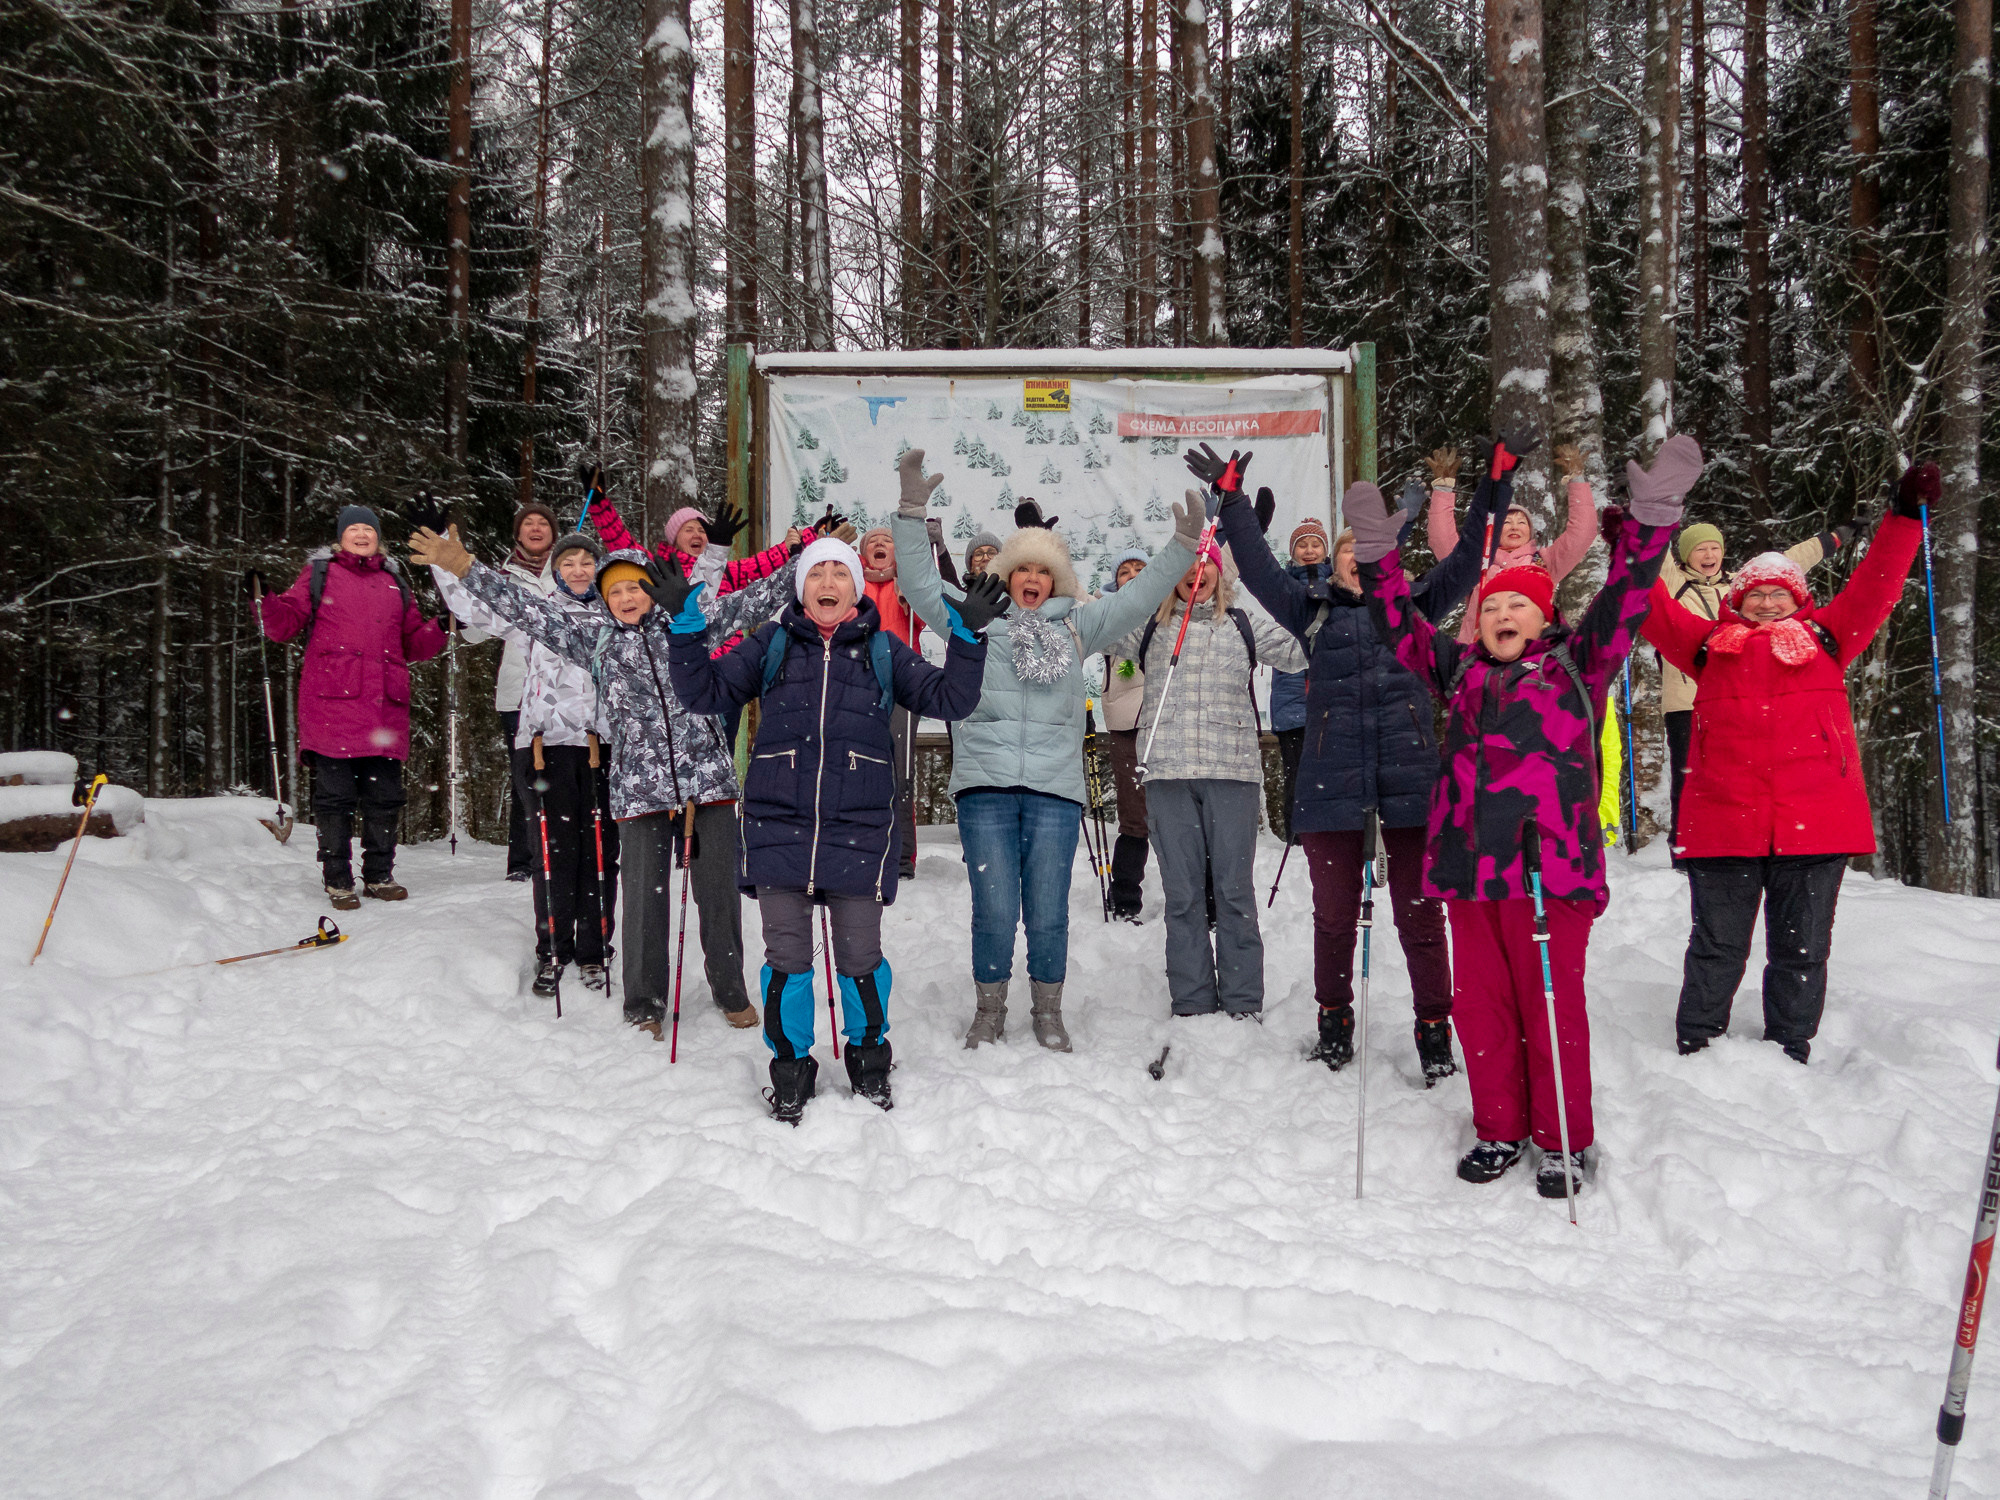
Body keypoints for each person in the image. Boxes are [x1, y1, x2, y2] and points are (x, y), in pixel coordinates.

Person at [1352, 435, 1700, 1201]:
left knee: (1549, 1006)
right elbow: (1397, 625)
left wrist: (1652, 519)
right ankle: (1498, 1126)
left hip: (1552, 869)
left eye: (1518, 605)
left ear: (1541, 618)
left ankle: (1564, 1140)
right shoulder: (1459, 668)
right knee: (1481, 1008)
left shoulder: (1581, 661)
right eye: (1492, 607)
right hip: (1472, 871)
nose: (1503, 614)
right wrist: (1379, 557)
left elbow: (1630, 592)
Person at [412, 525, 796, 1037]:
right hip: (640, 788)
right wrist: (462, 565)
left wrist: (818, 557)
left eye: (634, 586)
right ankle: (644, 1003)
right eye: (613, 590)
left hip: (708, 781)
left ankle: (730, 991)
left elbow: (758, 598)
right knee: (643, 899)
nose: (625, 597)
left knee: (718, 896)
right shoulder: (592, 639)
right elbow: (522, 608)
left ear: (652, 589)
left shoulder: (690, 622)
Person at [666, 537, 1002, 1121]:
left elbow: (953, 699)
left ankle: (869, 1061)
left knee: (860, 958)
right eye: (816, 571)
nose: (827, 581)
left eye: (839, 573)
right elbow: (702, 692)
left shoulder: (883, 650)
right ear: (802, 587)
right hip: (779, 826)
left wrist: (969, 638)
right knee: (787, 960)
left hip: (860, 829)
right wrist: (686, 627)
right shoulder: (771, 645)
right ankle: (790, 1069)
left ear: (855, 588)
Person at [1212, 440, 1510, 1083]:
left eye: (1367, 554)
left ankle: (1435, 1028)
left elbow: (1468, 557)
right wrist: (1232, 501)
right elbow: (1261, 568)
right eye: (1348, 556)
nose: (1357, 564)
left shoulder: (1418, 607)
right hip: (1330, 787)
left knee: (1421, 917)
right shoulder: (1310, 611)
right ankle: (1334, 1022)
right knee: (1333, 916)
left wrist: (1493, 489)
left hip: (1410, 784)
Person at [890, 448, 1200, 1049]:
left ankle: (1048, 1010)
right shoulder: (972, 619)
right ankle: (990, 1008)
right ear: (1007, 577)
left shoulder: (1077, 626)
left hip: (1056, 792)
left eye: (1043, 573)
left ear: (1056, 582)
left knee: (1050, 912)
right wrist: (910, 512)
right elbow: (918, 582)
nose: (1031, 580)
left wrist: (1184, 545)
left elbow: (1140, 598)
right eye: (1021, 570)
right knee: (995, 908)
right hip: (986, 789)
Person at [1642, 462, 1932, 1064]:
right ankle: (1697, 1039)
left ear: (1798, 599)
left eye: (1780, 593)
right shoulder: (1707, 647)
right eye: (1756, 594)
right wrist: (1637, 537)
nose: (1769, 602)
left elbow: (1878, 582)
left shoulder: (1829, 638)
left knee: (1802, 947)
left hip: (1814, 820)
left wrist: (1903, 517)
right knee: (1717, 944)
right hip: (1725, 821)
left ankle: (1790, 1042)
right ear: (1738, 601)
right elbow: (1647, 606)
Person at [1113, 523, 1305, 1017]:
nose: (1197, 577)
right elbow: (1098, 624)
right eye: (1186, 570)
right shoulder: (1148, 626)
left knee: (1235, 891)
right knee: (1181, 895)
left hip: (1232, 774)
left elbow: (1303, 649)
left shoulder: (1242, 623)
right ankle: (1192, 1001)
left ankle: (1243, 1002)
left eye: (1206, 568)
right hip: (1168, 773)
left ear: (1221, 575)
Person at [433, 532, 619, 995]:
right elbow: (473, 608)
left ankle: (595, 951)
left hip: (603, 748)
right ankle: (553, 949)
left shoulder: (617, 613)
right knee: (554, 855)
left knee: (599, 855)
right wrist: (442, 559)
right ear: (555, 571)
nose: (579, 569)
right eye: (569, 562)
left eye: (587, 561)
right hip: (543, 747)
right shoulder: (533, 612)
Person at [256, 505, 446, 908]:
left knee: (385, 797)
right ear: (340, 537)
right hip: (332, 707)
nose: (361, 535)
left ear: (379, 538)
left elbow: (413, 643)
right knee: (335, 798)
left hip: (384, 708)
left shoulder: (395, 581)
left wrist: (441, 627)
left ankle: (379, 875)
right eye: (353, 529)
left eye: (369, 530)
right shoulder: (321, 574)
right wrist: (266, 599)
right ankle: (338, 879)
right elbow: (283, 625)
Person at [1654, 515, 1848, 856]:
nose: (1709, 553)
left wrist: (1829, 540)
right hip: (1685, 697)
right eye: (1700, 548)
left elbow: (1789, 562)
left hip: (1736, 696)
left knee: (1738, 777)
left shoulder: (1740, 587)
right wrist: (1643, 514)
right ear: (1686, 555)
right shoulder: (1673, 580)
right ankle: (1683, 843)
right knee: (1688, 772)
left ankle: (1739, 843)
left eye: (1715, 546)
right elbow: (1651, 556)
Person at [454, 501, 556, 881]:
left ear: (553, 532)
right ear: (517, 533)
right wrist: (460, 612)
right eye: (527, 523)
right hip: (517, 692)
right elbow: (478, 630)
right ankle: (522, 863)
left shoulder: (569, 570)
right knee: (524, 779)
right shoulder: (503, 577)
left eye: (542, 523)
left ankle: (555, 857)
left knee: (561, 778)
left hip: (563, 695)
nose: (535, 528)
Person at [1426, 440, 1599, 643]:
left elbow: (1581, 534)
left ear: (1530, 531)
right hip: (1478, 657)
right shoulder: (1475, 563)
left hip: (1532, 658)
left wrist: (1577, 481)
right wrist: (1443, 491)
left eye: (1521, 522)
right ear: (1495, 528)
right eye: (1506, 522)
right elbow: (1442, 539)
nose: (1515, 526)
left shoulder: (1545, 563)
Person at [1097, 547, 1152, 921]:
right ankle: (1125, 899)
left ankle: (1205, 900)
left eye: (1140, 568)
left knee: (1185, 819)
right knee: (1134, 818)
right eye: (1124, 571)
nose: (1131, 574)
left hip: (1172, 723)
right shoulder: (1107, 615)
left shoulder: (1172, 607)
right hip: (1127, 726)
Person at [1268, 519, 1331, 837]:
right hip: (1291, 699)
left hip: (1330, 699)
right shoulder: (1281, 586)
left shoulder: (1339, 585)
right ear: (1292, 553)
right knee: (1297, 772)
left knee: (1331, 773)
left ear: (1326, 551)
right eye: (1302, 545)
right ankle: (1296, 837)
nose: (1309, 551)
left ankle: (1328, 834)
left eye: (1315, 544)